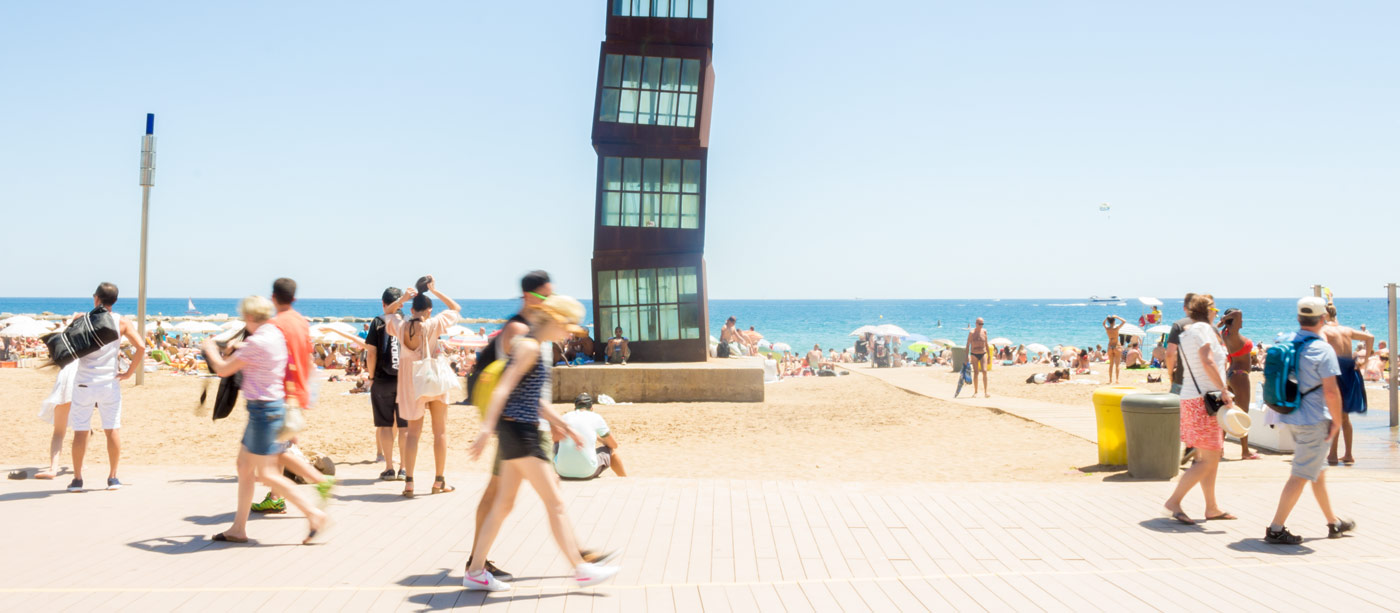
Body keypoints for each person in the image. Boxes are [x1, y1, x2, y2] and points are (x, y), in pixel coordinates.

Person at [465, 295, 621, 591]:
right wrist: (486, 430)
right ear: (555, 321)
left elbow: (530, 397)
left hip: (517, 433)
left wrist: (562, 425)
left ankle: (475, 571)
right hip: (522, 435)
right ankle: (581, 569)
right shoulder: (529, 347)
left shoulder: (534, 347)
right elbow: (504, 388)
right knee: (556, 503)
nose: (568, 333)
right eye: (567, 326)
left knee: (504, 505)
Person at [200, 295, 330, 544]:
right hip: (270, 408)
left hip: (264, 412)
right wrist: (239, 350)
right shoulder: (274, 334)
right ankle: (238, 528)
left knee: (268, 474)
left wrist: (209, 349)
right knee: (244, 467)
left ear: (249, 317)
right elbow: (256, 357)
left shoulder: (257, 341)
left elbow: (223, 369)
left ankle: (314, 514)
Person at [1265, 297, 1355, 544]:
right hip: (1313, 419)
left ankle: (1333, 522)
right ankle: (1276, 528)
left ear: (1299, 318)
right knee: (1301, 474)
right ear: (1323, 319)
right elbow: (1331, 391)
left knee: (1317, 471)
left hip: (1291, 414)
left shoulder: (1290, 342)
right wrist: (1337, 421)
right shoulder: (1321, 348)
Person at [251, 278, 335, 514]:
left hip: (281, 393)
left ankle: (315, 483)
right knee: (282, 446)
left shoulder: (276, 324)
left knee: (276, 449)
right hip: (297, 391)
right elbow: (308, 359)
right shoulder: (301, 322)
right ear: (294, 298)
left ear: (273, 297)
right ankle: (277, 496)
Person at [382, 276, 461, 498]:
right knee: (440, 433)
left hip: (411, 384)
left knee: (413, 434)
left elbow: (388, 312)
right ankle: (439, 481)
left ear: (413, 308)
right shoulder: (434, 323)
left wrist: (403, 299)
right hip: (433, 379)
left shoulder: (400, 326)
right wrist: (435, 291)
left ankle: (409, 483)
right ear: (429, 310)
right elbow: (455, 308)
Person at [1162, 294, 1233, 525]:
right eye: (1215, 310)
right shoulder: (1203, 330)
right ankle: (1174, 501)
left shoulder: (1188, 332)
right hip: (1205, 402)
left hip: (1192, 399)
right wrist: (1223, 389)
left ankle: (1211, 508)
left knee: (1206, 457)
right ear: (1209, 311)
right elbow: (1207, 360)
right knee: (1209, 459)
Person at [67, 283, 145, 492]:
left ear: (96, 299)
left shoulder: (81, 319)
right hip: (109, 383)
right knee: (112, 429)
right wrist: (129, 373)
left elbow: (66, 343)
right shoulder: (122, 322)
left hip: (84, 382)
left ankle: (77, 480)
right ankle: (112, 478)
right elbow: (141, 346)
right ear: (115, 300)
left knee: (81, 431)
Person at [1322, 302, 1373, 466]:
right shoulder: (1346, 330)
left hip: (1336, 371)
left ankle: (1333, 454)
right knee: (1344, 416)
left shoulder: (1324, 330)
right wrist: (1364, 361)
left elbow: (1321, 346)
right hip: (1351, 371)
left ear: (1323, 316)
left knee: (1335, 414)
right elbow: (1370, 337)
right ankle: (1348, 454)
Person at [366, 287, 408, 481]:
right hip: (405, 380)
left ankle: (389, 468)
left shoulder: (378, 322)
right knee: (404, 427)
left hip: (383, 379)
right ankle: (404, 468)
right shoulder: (407, 322)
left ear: (383, 303)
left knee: (384, 425)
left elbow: (371, 353)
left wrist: (371, 377)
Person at [554, 393, 626, 480]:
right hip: (587, 473)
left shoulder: (565, 417)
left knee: (557, 445)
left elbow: (556, 439)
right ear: (592, 408)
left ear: (575, 408)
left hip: (562, 472)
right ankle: (624, 479)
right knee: (611, 452)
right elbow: (614, 445)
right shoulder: (596, 417)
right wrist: (598, 438)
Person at [1218, 309, 1259, 460]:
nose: (1242, 321)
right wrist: (1225, 318)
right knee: (1243, 413)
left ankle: (1220, 448)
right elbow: (1239, 312)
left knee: (1227, 413)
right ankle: (1245, 451)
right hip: (1240, 376)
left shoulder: (1225, 334)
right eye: (1239, 320)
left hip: (1231, 374)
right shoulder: (1233, 333)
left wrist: (1224, 321)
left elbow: (1237, 315)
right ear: (1233, 321)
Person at [34, 360, 78, 479]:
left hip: (64, 387)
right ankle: (80, 464)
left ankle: (53, 468)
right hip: (82, 384)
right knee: (83, 430)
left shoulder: (65, 352)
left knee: (58, 433)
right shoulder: (88, 345)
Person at [965, 318, 990, 398]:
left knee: (985, 371)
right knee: (976, 372)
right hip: (974, 354)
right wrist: (966, 357)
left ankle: (986, 392)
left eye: (982, 324)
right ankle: (976, 392)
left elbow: (986, 344)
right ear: (976, 323)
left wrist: (989, 356)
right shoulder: (972, 333)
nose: (981, 325)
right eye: (980, 324)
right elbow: (968, 344)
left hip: (983, 353)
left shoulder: (984, 332)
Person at [1103, 316, 1125, 384]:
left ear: (1109, 322)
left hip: (1110, 346)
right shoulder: (1116, 328)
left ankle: (1110, 380)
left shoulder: (1107, 329)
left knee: (1111, 365)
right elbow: (1124, 321)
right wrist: (1117, 317)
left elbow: (1103, 324)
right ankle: (1117, 380)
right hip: (1117, 346)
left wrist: (1106, 318)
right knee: (1117, 365)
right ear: (1114, 322)